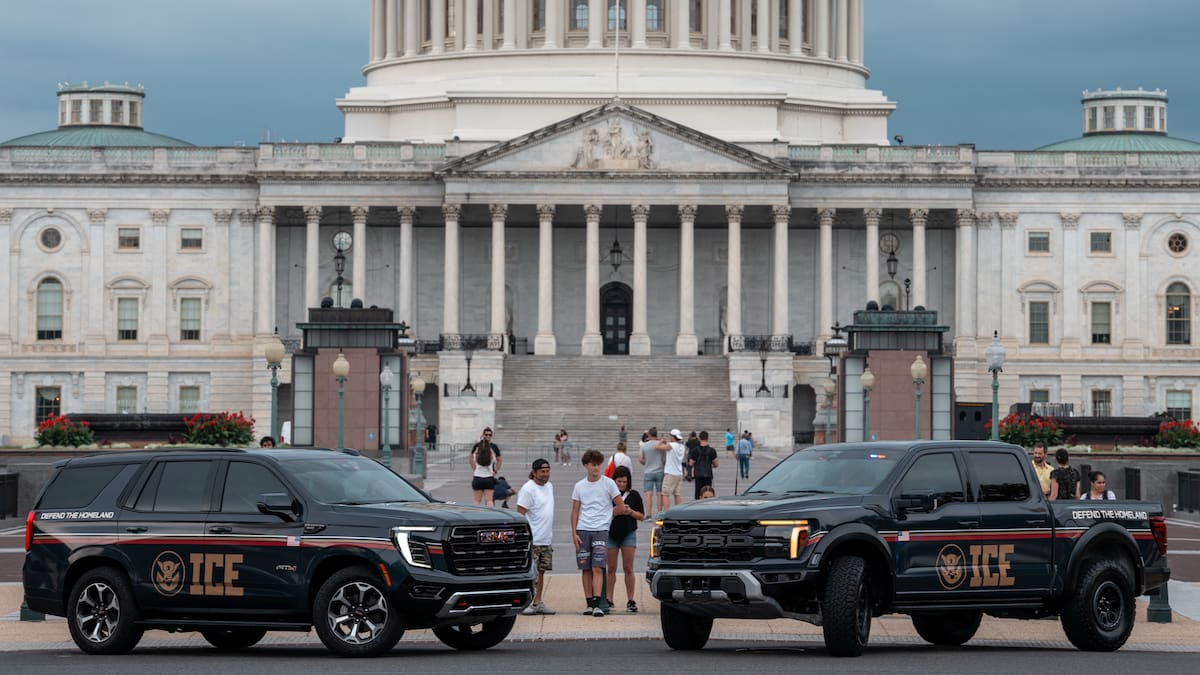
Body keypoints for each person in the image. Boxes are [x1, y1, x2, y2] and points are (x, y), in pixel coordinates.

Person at [571, 449, 624, 617]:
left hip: (601, 529)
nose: (596, 468)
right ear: (586, 465)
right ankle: (589, 603)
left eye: (598, 465)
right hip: (583, 529)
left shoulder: (608, 483)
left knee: (597, 567)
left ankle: (597, 602)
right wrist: (574, 533)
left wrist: (608, 516)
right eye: (592, 465)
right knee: (585, 568)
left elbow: (620, 505)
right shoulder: (579, 486)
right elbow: (575, 511)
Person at [518, 459, 557, 615]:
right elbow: (520, 514)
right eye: (542, 471)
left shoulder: (549, 487)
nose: (545, 474)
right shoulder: (528, 489)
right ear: (534, 472)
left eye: (547, 471)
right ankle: (525, 602)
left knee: (541, 572)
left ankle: (537, 602)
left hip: (546, 538)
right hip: (532, 539)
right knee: (529, 573)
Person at [605, 465, 644, 613]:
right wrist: (615, 512)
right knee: (611, 568)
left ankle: (630, 599)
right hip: (611, 534)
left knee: (628, 568)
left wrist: (630, 512)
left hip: (628, 533)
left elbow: (641, 516)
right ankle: (609, 599)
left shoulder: (634, 495)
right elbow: (603, 513)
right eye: (619, 482)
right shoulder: (609, 495)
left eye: (624, 482)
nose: (621, 485)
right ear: (614, 481)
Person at [469, 427, 502, 506]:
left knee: (476, 501)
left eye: (489, 435)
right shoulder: (491, 453)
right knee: (489, 500)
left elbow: (472, 457)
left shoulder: (477, 450)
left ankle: (475, 516)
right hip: (488, 478)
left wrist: (475, 469)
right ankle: (490, 516)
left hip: (477, 477)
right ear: (483, 434)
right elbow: (495, 459)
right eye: (486, 435)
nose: (488, 436)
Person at [639, 427, 665, 518]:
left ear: (649, 435)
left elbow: (641, 460)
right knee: (659, 494)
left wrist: (647, 462)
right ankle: (659, 513)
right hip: (660, 471)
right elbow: (664, 459)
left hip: (648, 471)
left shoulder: (644, 446)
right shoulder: (661, 445)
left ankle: (649, 514)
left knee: (648, 494)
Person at [659, 429, 687, 513]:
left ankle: (666, 513)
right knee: (677, 493)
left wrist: (661, 441)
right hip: (679, 472)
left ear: (673, 437)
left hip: (670, 473)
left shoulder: (671, 445)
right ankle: (679, 512)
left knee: (665, 494)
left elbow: (658, 447)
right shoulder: (682, 446)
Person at [691, 430, 719, 499]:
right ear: (707, 438)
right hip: (708, 474)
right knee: (708, 492)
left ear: (699, 438)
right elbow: (716, 464)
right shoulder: (712, 450)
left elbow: (691, 463)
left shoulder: (695, 450)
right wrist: (711, 465)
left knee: (698, 492)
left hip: (698, 474)